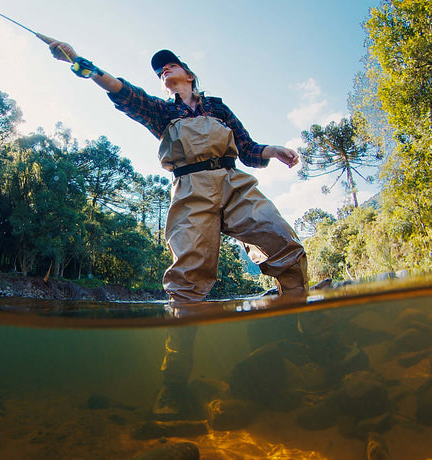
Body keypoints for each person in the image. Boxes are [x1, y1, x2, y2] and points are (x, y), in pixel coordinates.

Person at [47, 39, 308, 418]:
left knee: (287, 246)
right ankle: (172, 387)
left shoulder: (217, 107)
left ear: (187, 72)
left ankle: (294, 341)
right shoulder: (159, 112)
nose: (163, 70)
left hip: (235, 183)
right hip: (190, 193)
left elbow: (248, 147)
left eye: (169, 65)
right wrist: (80, 62)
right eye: (159, 70)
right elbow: (124, 92)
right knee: (186, 283)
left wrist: (274, 151)